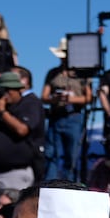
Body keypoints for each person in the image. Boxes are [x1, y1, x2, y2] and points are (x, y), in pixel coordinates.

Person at [0, 72, 44, 214]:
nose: (4, 94)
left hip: (16, 172)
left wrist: (2, 112)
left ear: (17, 89)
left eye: (7, 90)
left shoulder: (29, 103)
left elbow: (22, 129)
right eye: (2, 90)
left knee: (15, 213)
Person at [42, 41, 92, 182]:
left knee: (73, 156)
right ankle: (50, 184)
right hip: (56, 116)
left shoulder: (81, 74)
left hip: (74, 117)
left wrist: (71, 99)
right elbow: (44, 96)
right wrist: (55, 98)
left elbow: (88, 97)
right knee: (51, 154)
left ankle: (71, 184)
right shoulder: (53, 73)